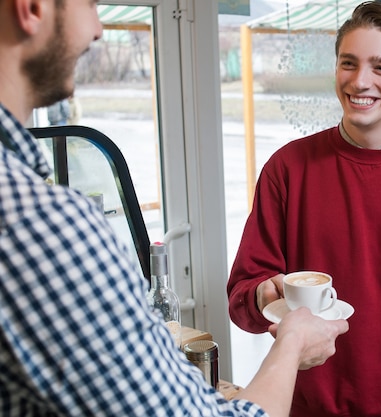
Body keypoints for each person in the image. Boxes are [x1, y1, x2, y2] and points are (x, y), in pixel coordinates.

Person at [0, 1, 348, 416]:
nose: (97, 29)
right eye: (91, 3)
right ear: (32, 8)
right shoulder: (42, 225)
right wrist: (291, 342)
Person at [228, 2, 381, 416]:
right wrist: (265, 294)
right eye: (349, 63)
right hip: (310, 407)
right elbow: (242, 299)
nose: (360, 81)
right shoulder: (287, 168)